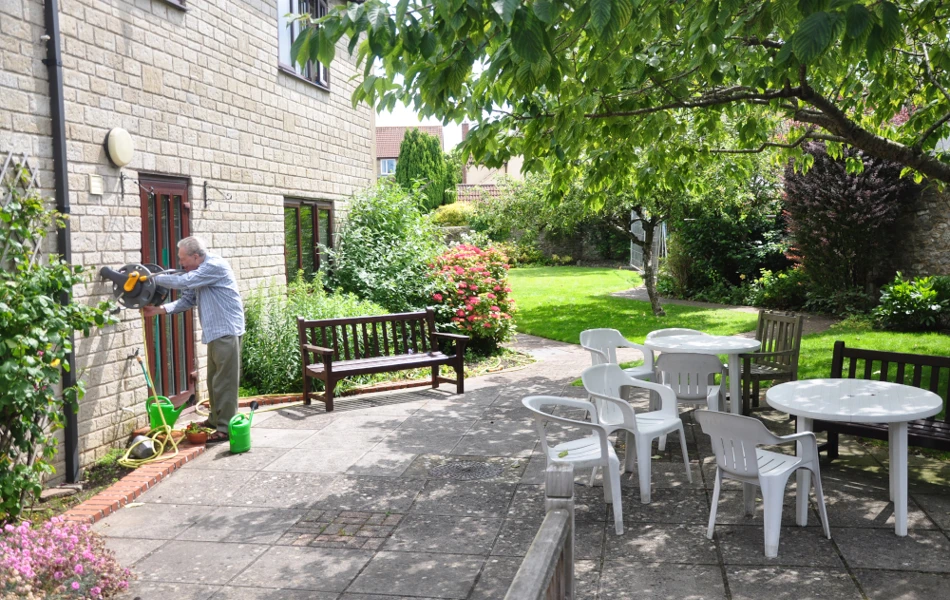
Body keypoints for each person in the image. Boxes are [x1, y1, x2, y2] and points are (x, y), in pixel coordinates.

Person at [142, 237, 245, 443]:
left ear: (196, 256)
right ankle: (215, 420)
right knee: (214, 379)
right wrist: (158, 310)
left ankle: (224, 429)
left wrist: (149, 278)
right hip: (216, 333)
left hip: (227, 330)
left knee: (224, 382)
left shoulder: (214, 266)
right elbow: (188, 299)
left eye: (183, 259)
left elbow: (184, 282)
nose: (181, 264)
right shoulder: (197, 273)